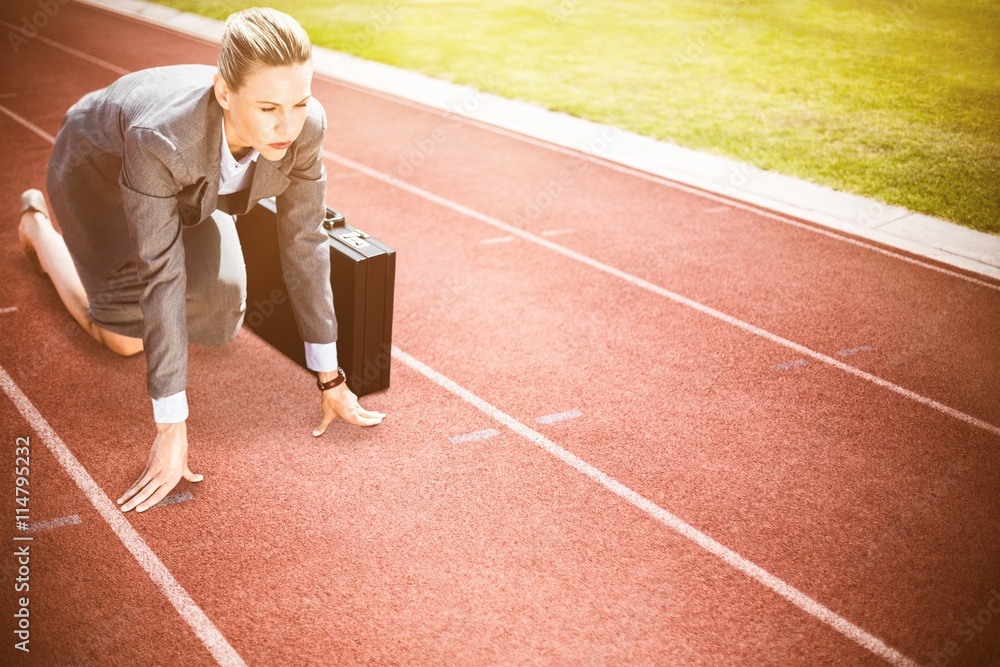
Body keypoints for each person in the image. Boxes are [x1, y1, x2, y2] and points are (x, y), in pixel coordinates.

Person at [16, 7, 385, 513]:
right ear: (224, 92)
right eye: (268, 107)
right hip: (97, 174)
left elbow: (306, 241)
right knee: (123, 339)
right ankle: (39, 230)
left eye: (299, 102)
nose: (287, 125)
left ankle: (199, 202)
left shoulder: (305, 128)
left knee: (223, 308)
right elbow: (161, 273)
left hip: (186, 184)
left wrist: (331, 376)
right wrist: (171, 425)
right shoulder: (161, 139)